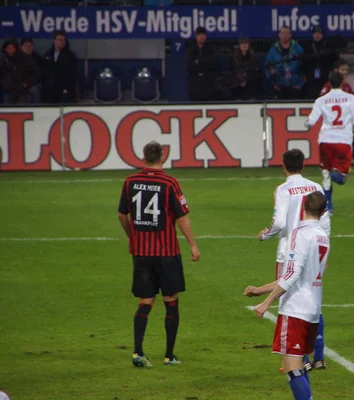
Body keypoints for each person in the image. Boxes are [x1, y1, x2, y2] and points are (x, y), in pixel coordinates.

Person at [117, 141, 201, 367]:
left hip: (142, 253)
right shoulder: (169, 183)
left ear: (143, 158)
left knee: (145, 301)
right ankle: (169, 355)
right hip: (166, 253)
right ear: (162, 157)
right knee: (170, 301)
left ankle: (137, 353)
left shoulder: (130, 182)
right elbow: (182, 216)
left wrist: (130, 236)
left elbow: (121, 215)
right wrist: (192, 244)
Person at [245, 191, 331, 400]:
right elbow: (299, 275)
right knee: (299, 366)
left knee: (292, 369)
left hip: (295, 310)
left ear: (303, 207)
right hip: (313, 311)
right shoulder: (323, 237)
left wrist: (267, 303)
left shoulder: (299, 233)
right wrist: (259, 290)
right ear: (322, 212)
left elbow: (291, 274)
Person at [258, 149, 331, 370]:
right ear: (303, 165)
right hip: (318, 246)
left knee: (291, 303)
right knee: (312, 297)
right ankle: (318, 357)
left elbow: (279, 223)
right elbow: (325, 222)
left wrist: (265, 234)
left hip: (290, 250)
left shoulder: (283, 189)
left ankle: (299, 358)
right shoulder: (317, 187)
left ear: (283, 166)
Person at [306, 71, 354, 214]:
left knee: (325, 173)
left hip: (325, 140)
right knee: (343, 178)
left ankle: (328, 207)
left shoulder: (321, 100)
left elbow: (310, 122)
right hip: (343, 141)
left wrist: (306, 123)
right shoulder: (350, 98)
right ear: (342, 82)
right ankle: (334, 176)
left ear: (329, 82)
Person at [320, 59, 354, 173]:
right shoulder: (328, 87)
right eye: (343, 69)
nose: (345, 72)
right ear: (336, 71)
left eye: (346, 70)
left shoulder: (346, 86)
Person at [264, 26, 305, 100]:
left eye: (287, 33)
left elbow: (304, 67)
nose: (285, 35)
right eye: (283, 33)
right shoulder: (273, 51)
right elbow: (268, 68)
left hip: (295, 87)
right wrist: (273, 84)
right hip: (279, 88)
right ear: (279, 35)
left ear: (290, 35)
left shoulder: (298, 49)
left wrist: (300, 84)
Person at [0, 37, 41, 104]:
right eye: (8, 48)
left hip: (23, 92)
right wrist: (4, 84)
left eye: (12, 48)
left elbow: (37, 74)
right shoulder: (3, 60)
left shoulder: (25, 58)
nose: (11, 50)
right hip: (8, 92)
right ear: (5, 49)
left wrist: (26, 83)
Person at [303, 25, 339, 99]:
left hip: (325, 77)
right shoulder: (308, 46)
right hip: (312, 78)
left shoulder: (327, 45)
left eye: (319, 33)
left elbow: (335, 58)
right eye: (315, 33)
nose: (317, 35)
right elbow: (304, 61)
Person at [41, 30, 78, 103]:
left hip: (65, 91)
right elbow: (45, 73)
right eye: (59, 39)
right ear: (54, 41)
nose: (62, 41)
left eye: (63, 39)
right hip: (50, 91)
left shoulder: (70, 56)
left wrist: (67, 89)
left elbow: (73, 75)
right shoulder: (48, 55)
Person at [185, 26, 219, 101]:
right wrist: (205, 63)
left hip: (209, 87)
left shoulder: (211, 49)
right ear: (196, 36)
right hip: (195, 87)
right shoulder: (190, 50)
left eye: (203, 34)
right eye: (199, 34)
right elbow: (190, 66)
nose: (202, 36)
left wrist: (199, 61)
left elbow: (214, 63)